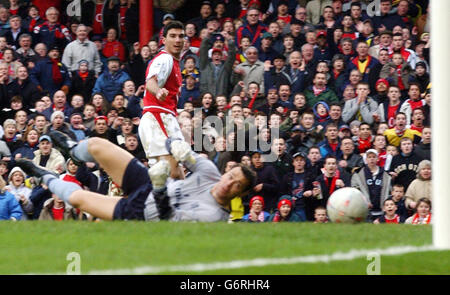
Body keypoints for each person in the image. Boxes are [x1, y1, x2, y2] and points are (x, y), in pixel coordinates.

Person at [16, 131, 257, 222]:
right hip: (149, 183)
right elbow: (174, 143)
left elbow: (166, 220)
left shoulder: (214, 217)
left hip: (142, 212)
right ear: (226, 172)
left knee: (79, 199)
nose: (229, 183)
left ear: (242, 194)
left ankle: (44, 176)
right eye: (231, 176)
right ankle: (72, 148)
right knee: (99, 145)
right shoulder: (209, 172)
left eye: (238, 185)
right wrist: (177, 146)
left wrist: (161, 187)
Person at [139, 21, 188, 178]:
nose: (177, 40)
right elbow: (150, 82)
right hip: (157, 117)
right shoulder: (164, 59)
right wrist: (158, 91)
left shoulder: (175, 63)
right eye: (172, 36)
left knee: (175, 174)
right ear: (163, 40)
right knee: (170, 174)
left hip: (162, 116)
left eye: (181, 36)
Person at [351, 149, 392, 222]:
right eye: (369, 157)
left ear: (377, 159)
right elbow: (355, 191)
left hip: (382, 211)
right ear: (366, 159)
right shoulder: (358, 174)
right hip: (365, 211)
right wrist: (364, 201)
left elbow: (389, 191)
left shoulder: (385, 175)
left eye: (374, 157)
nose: (371, 159)